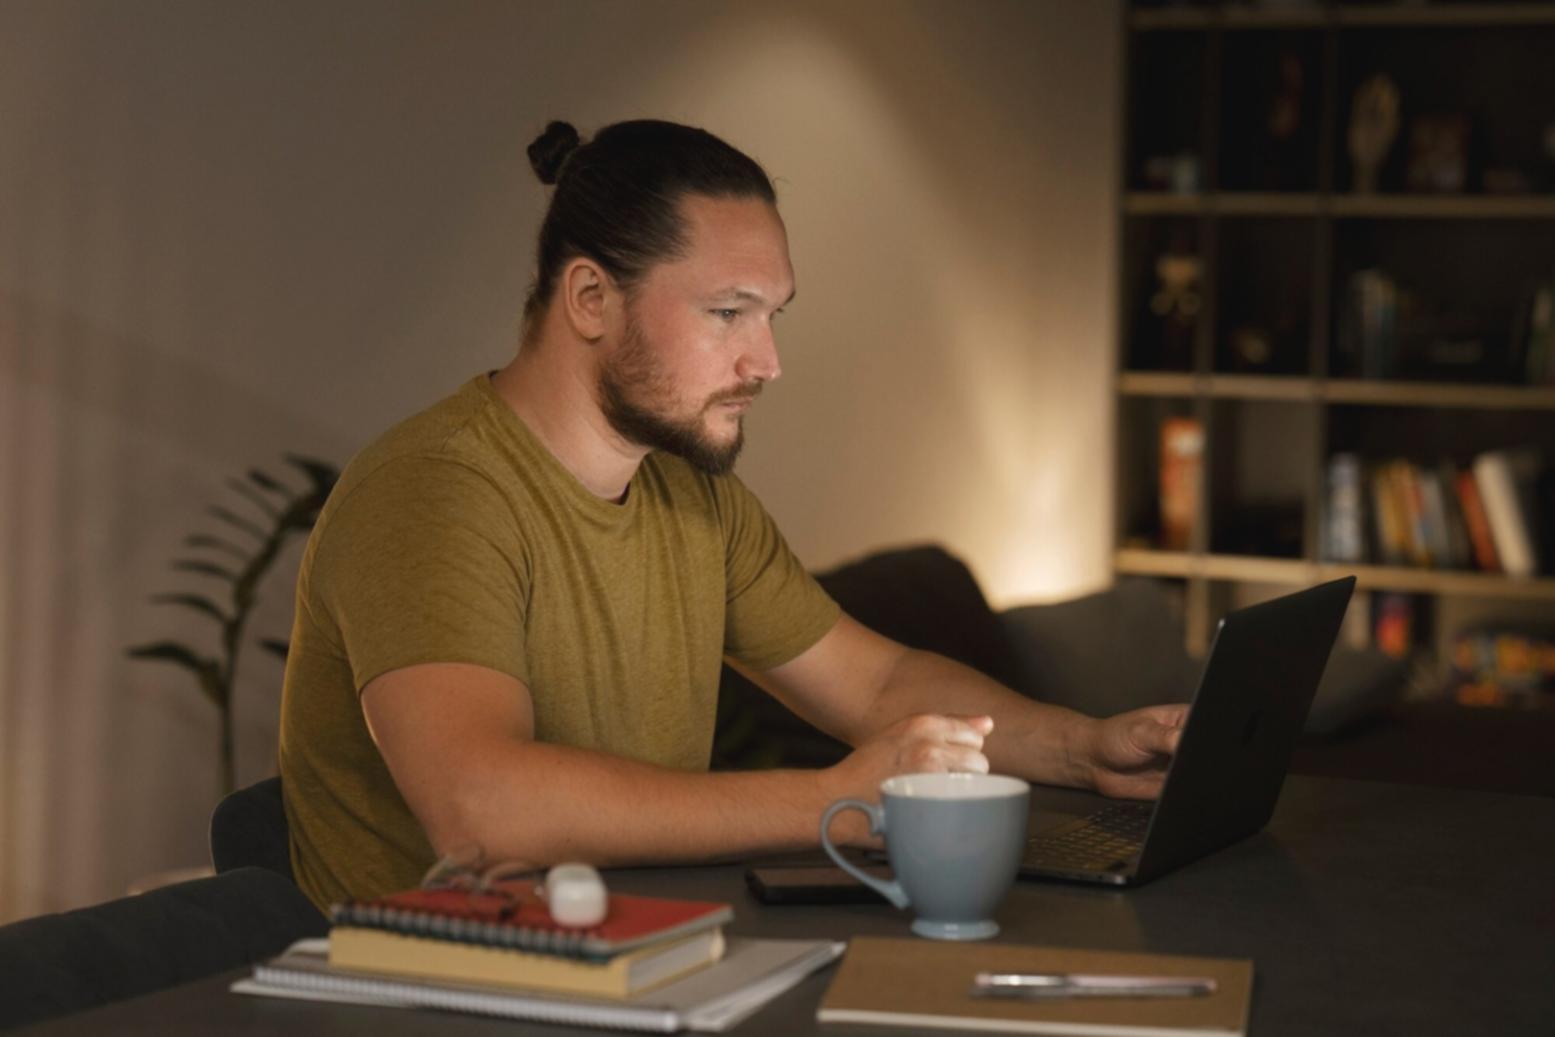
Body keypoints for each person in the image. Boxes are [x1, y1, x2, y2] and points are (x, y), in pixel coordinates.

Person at [278, 119, 1187, 912]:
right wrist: (833, 798)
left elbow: (877, 687)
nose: (767, 360)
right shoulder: (434, 493)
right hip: (420, 991)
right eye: (727, 312)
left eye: (772, 313)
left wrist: (1083, 747)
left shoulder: (692, 496)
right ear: (590, 298)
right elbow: (481, 810)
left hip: (637, 954)